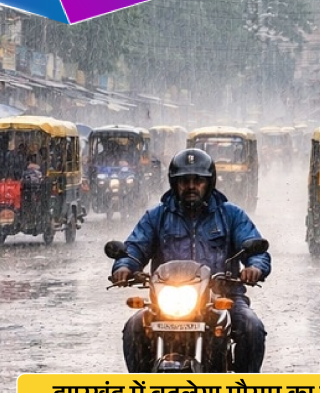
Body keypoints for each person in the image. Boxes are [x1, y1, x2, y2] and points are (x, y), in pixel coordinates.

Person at [110, 148, 270, 373]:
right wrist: (124, 266)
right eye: (184, 181)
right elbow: (135, 247)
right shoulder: (157, 216)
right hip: (166, 301)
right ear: (174, 183)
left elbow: (255, 246)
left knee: (252, 327)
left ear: (209, 182)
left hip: (223, 296)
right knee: (134, 327)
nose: (191, 186)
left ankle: (244, 390)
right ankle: (140, 389)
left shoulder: (231, 215)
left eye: (198, 180)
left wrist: (254, 267)